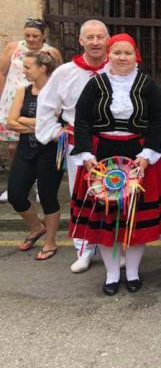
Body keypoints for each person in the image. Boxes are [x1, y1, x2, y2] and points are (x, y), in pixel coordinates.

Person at [69, 34, 161, 296]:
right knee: (106, 221)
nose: (122, 58)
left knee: (134, 220)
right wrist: (87, 155)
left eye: (127, 53)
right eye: (117, 53)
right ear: (109, 55)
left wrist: (148, 155)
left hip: (137, 157)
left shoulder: (147, 84)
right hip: (101, 156)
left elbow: (159, 120)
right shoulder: (96, 84)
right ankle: (112, 274)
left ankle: (133, 271)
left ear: (136, 56)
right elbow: (81, 120)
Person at [35, 19, 109, 273]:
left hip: (113, 145)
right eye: (90, 37)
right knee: (82, 197)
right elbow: (46, 107)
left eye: (100, 37)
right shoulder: (65, 72)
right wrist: (58, 134)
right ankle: (85, 249)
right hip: (79, 146)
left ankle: (115, 246)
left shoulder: (120, 67)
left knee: (115, 195)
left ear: (107, 40)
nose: (96, 42)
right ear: (81, 40)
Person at [7, 51, 63, 260]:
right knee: (16, 195)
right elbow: (11, 121)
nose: (24, 71)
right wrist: (41, 127)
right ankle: (36, 227)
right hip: (26, 151)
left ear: (42, 68)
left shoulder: (58, 93)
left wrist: (26, 121)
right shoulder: (24, 91)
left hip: (50, 153)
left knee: (48, 198)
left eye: (28, 67)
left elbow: (59, 123)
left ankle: (50, 241)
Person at [0, 19, 61, 201]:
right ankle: (17, 184)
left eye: (35, 36)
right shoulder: (13, 47)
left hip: (38, 100)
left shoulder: (50, 52)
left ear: (44, 35)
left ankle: (40, 186)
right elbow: (2, 72)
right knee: (12, 147)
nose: (31, 39)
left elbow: (58, 76)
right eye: (27, 35)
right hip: (13, 99)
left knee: (40, 144)